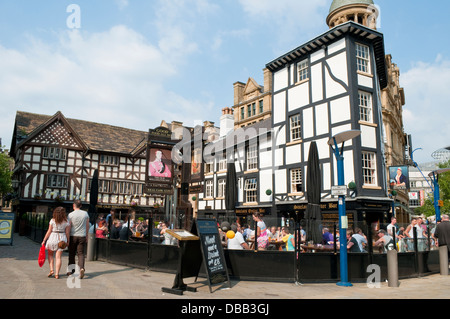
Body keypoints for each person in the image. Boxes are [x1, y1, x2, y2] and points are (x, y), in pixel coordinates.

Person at [41, 207, 71, 279]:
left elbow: (49, 231)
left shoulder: (52, 220)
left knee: (50, 255)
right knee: (58, 257)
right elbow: (67, 233)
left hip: (53, 237)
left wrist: (44, 240)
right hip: (62, 239)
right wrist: (68, 241)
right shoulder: (66, 222)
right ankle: (57, 274)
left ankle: (52, 270)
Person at [67, 200, 90, 279]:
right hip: (82, 235)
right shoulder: (85, 214)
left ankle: (71, 270)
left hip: (73, 235)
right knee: (81, 253)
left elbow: (69, 226)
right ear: (81, 206)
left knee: (71, 253)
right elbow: (87, 226)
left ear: (74, 205)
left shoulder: (70, 215)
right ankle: (81, 268)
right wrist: (86, 235)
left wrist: (67, 237)